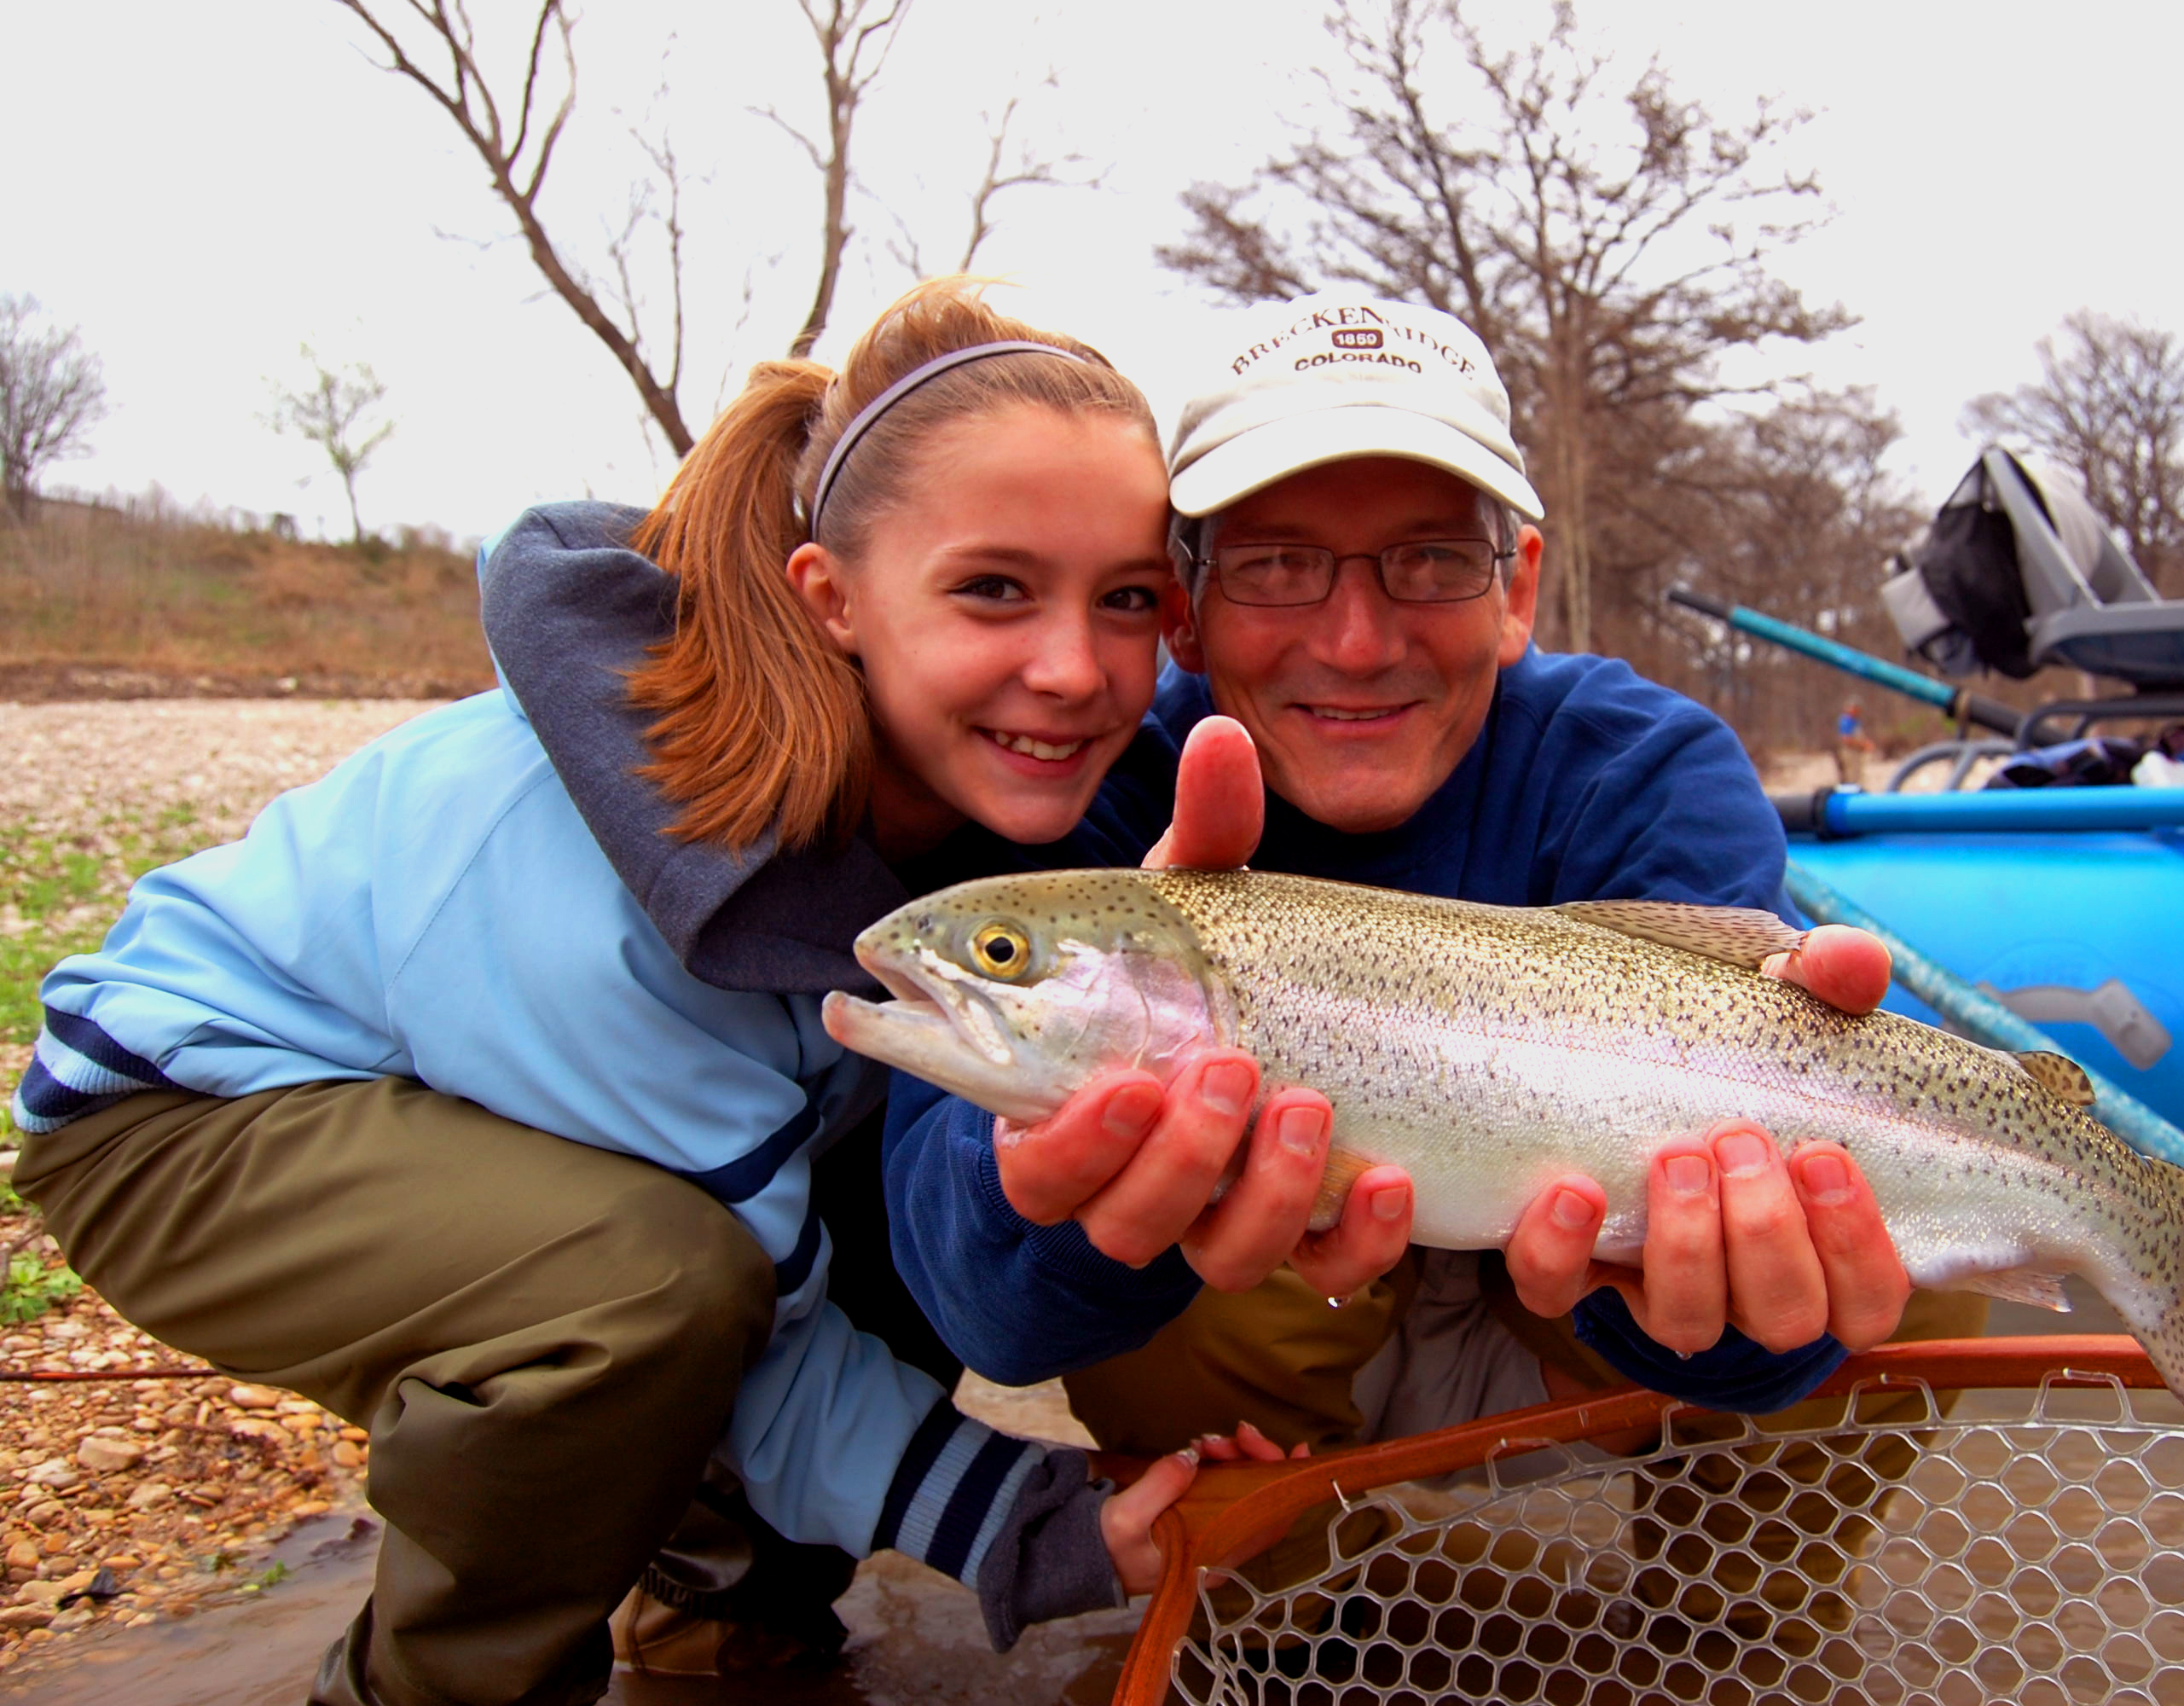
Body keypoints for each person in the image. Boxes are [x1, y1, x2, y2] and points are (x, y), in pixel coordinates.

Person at [6, 280, 1234, 1706]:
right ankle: (442, 1686)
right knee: (654, 1290)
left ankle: (726, 1622)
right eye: (992, 590)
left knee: (883, 1174)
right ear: (830, 600)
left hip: (518, 1106)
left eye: (1129, 600)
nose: (1075, 670)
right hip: (178, 1107)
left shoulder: (956, 772)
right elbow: (759, 1347)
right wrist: (1041, 1527)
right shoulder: (643, 894)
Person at [883, 296, 1977, 1488]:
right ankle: (1292, 1629)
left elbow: (1755, 1335)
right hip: (1283, 1357)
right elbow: (979, 1310)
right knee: (1143, 1211)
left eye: (1433, 560)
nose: (1357, 641)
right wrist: (1030, 1170)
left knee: (1905, 1218)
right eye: (1279, 564)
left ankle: (1727, 1642)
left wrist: (1743, 1317)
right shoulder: (1101, 785)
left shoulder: (1647, 770)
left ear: (1516, 590)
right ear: (1188, 608)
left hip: (1575, 1350)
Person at [1834, 698, 1876, 786]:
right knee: (1852, 777)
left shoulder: (1856, 721)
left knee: (1858, 776)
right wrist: (1863, 745)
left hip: (1857, 753)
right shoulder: (1846, 721)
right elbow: (1847, 739)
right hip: (1850, 752)